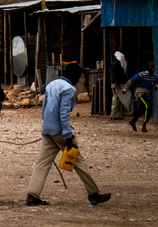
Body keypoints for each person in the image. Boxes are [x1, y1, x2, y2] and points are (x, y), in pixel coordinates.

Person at [26, 63, 111, 207]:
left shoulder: (51, 84)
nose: (78, 80)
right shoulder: (69, 89)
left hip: (47, 129)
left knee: (42, 163)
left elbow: (45, 107)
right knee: (79, 162)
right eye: (78, 76)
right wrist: (68, 135)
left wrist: (46, 125)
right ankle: (93, 194)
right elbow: (64, 113)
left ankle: (32, 195)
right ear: (72, 75)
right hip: (60, 131)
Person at [123, 61, 158, 133]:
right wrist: (125, 89)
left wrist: (156, 87)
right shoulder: (141, 74)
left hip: (147, 94)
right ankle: (144, 126)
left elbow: (156, 84)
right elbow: (131, 81)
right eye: (151, 66)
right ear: (147, 67)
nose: (153, 68)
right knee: (147, 106)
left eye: (153, 66)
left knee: (144, 109)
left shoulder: (155, 76)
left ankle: (133, 121)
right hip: (140, 93)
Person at [110, 51, 131, 119]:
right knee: (128, 95)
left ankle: (114, 115)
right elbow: (115, 70)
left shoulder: (115, 61)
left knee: (116, 99)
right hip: (118, 83)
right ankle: (131, 112)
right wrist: (117, 80)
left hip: (115, 82)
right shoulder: (118, 62)